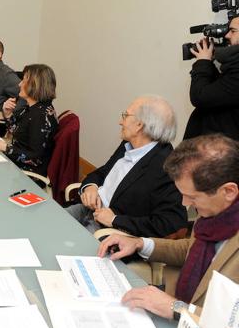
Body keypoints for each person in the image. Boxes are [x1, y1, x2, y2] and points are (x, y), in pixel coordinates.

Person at [98, 134, 239, 318]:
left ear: (228, 191)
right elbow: (190, 248)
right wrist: (140, 243)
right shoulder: (216, 212)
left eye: (193, 197)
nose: (184, 203)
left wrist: (177, 308)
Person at [65, 96, 187, 238]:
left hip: (108, 232)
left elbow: (170, 223)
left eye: (126, 115)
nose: (120, 121)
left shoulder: (166, 166)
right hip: (87, 210)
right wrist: (90, 187)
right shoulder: (127, 145)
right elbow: (103, 172)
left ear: (139, 125)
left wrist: (115, 220)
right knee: (44, 225)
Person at [0, 64, 58, 176]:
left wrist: (4, 147)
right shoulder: (32, 108)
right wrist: (8, 115)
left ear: (35, 85)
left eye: (24, 81)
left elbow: (34, 158)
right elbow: (17, 132)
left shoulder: (41, 117)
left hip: (27, 175)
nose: (19, 84)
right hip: (15, 164)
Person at [184, 15, 239, 141]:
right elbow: (220, 91)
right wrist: (207, 62)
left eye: (233, 31)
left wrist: (202, 62)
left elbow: (200, 97)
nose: (227, 36)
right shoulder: (234, 67)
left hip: (221, 152)